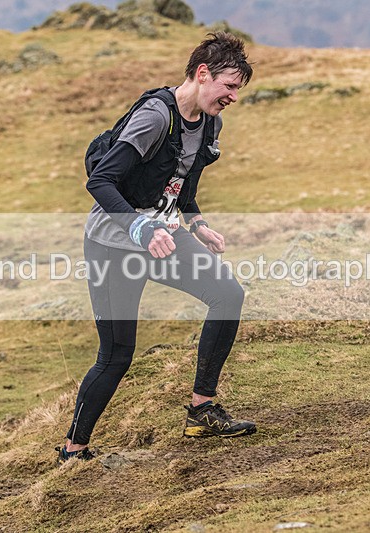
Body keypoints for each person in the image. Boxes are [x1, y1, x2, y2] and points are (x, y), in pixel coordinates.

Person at [57, 32, 255, 464]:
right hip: (114, 243)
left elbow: (181, 184)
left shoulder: (208, 122)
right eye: (229, 85)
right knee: (116, 355)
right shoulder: (153, 117)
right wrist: (141, 230)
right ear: (203, 74)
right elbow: (101, 182)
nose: (233, 96)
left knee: (228, 295)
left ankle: (202, 408)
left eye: (238, 89)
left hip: (165, 235)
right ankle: (73, 451)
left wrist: (197, 222)